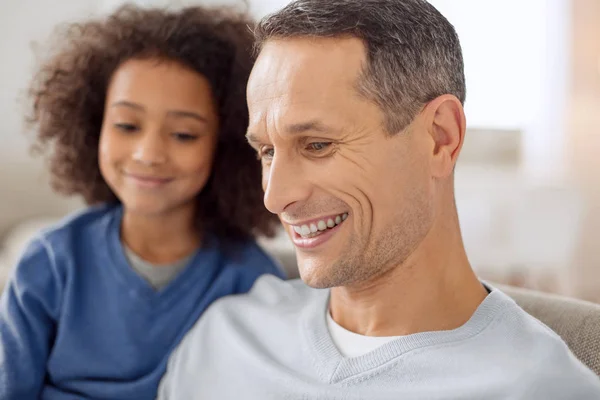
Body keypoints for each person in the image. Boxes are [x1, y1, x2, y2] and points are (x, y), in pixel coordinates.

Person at [158, 0, 600, 399]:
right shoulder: (225, 338)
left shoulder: (541, 388)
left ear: (439, 138)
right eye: (268, 151)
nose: (276, 197)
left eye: (317, 145)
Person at [0, 4, 285, 399]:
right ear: (91, 126)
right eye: (127, 126)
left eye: (184, 134)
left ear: (227, 146)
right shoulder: (50, 260)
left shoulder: (250, 279)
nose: (148, 153)